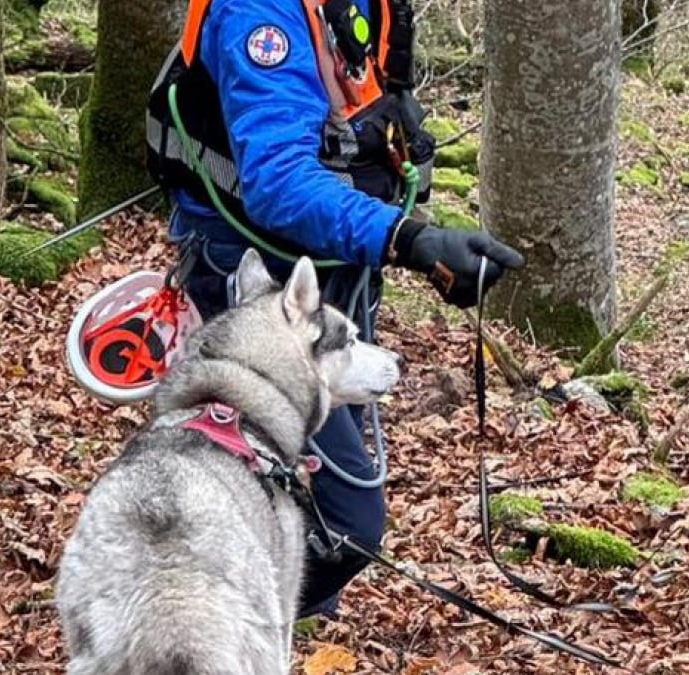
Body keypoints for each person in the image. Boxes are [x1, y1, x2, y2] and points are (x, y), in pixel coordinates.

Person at [143, 0, 523, 619]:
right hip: (258, 288)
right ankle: (198, 621)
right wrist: (408, 240)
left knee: (304, 487)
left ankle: (295, 623)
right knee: (349, 522)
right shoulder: (259, 15)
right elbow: (278, 181)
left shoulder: (365, 8)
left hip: (329, 270)